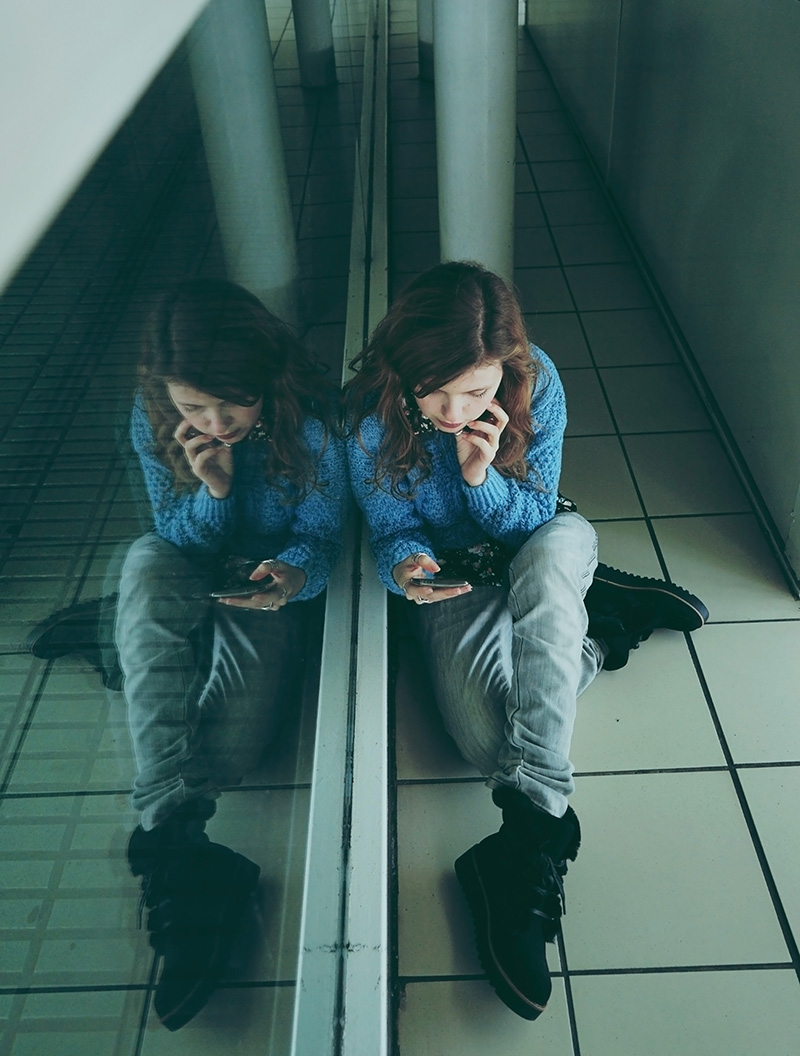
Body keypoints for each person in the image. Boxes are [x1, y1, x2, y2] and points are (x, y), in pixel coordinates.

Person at [346, 261, 707, 1021]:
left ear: (504, 367)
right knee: (484, 742)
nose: (452, 411)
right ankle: (601, 626)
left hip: (542, 540)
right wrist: (405, 565)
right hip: (460, 577)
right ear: (403, 366)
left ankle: (529, 840)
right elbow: (390, 527)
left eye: (473, 393)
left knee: (546, 575)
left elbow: (534, 517)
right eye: (435, 392)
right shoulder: (366, 413)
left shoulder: (534, 379)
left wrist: (480, 477)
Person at [114, 279, 347, 1031]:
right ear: (167, 395)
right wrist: (213, 490)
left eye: (231, 406)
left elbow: (324, 536)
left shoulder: (308, 425)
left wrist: (292, 577)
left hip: (265, 584)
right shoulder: (154, 420)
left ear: (266, 383)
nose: (213, 422)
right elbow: (175, 540)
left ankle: (178, 841)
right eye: (193, 408)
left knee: (230, 754)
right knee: (146, 564)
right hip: (199, 566)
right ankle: (177, 845)